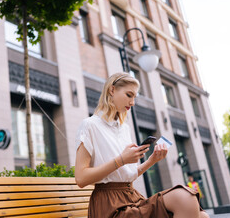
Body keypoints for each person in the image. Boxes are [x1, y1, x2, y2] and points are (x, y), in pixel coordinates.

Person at [75, 72, 209, 218]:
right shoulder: (89, 125)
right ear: (112, 90)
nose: (132, 103)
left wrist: (152, 160)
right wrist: (121, 160)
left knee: (202, 215)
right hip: (109, 206)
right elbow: (81, 178)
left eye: (134, 97)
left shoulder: (124, 128)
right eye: (129, 95)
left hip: (131, 198)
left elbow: (126, 175)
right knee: (184, 197)